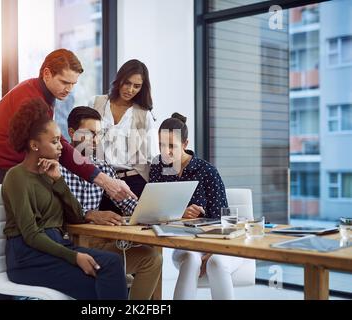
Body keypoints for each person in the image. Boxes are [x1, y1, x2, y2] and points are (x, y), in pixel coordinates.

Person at [2, 98, 127, 300]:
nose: (61, 147)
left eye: (60, 140)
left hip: (55, 246)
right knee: (98, 282)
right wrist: (74, 256)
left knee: (113, 263)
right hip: (27, 257)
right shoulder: (17, 177)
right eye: (54, 142)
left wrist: (58, 181)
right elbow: (31, 235)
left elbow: (77, 216)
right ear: (34, 145)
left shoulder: (49, 173)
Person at [0, 49, 135, 204]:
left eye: (73, 84)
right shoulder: (32, 100)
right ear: (46, 74)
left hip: (9, 173)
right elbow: (60, 147)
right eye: (64, 82)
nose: (69, 89)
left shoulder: (40, 93)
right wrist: (104, 180)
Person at [60, 106, 162, 300]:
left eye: (99, 134)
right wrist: (89, 214)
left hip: (96, 244)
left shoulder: (103, 167)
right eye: (90, 133)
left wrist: (154, 211)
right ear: (72, 132)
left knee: (152, 259)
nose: (96, 140)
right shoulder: (56, 166)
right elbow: (54, 211)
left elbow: (128, 203)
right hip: (67, 246)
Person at [149, 113, 246, 300]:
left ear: (185, 144)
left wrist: (212, 250)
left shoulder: (206, 171)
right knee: (192, 259)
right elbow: (153, 210)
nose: (165, 152)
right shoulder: (157, 167)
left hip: (220, 242)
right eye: (161, 145)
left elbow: (225, 219)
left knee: (216, 262)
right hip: (186, 244)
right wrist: (180, 213)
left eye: (172, 146)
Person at [88, 59, 158, 214]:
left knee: (130, 232)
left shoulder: (144, 114)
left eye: (137, 86)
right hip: (100, 179)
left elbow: (152, 157)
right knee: (101, 229)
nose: (130, 89)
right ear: (119, 80)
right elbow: (82, 139)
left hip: (132, 181)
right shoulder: (96, 103)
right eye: (127, 83)